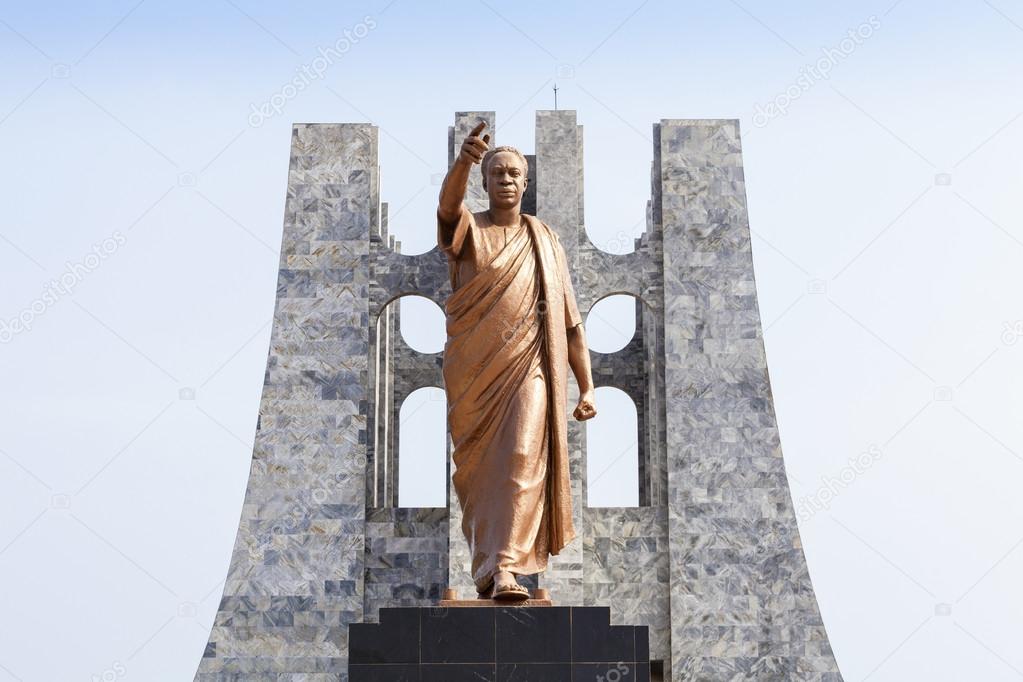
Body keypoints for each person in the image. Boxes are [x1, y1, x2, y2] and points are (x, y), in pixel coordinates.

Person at [437, 120, 597, 601]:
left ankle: (507, 567)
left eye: (513, 174)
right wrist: (464, 160)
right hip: (474, 374)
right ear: (484, 184)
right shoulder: (469, 231)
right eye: (496, 174)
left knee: (524, 456)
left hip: (529, 368)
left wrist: (586, 386)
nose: (505, 180)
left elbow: (569, 323)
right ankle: (487, 566)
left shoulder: (544, 239)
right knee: (481, 474)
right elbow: (447, 208)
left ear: (525, 184)